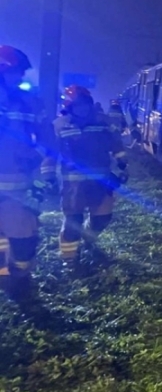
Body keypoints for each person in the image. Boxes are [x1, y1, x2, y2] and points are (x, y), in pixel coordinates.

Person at [41, 85, 127, 264]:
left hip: (101, 183)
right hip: (73, 186)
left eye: (85, 105)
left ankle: (88, 238)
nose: (82, 109)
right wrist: (48, 177)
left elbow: (116, 145)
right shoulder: (60, 127)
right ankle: (70, 260)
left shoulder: (102, 124)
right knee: (73, 222)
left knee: (102, 218)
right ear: (69, 107)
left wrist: (122, 165)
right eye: (77, 106)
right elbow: (50, 154)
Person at [0, 45, 50, 294]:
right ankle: (9, 283)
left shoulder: (30, 102)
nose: (20, 77)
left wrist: (36, 157)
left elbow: (47, 138)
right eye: (16, 72)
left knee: (25, 242)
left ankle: (18, 279)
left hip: (19, 187)